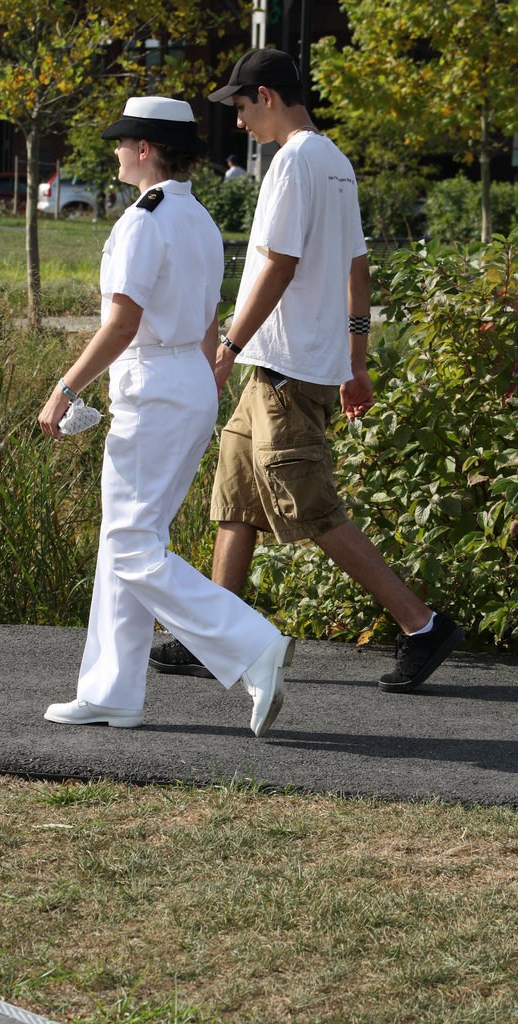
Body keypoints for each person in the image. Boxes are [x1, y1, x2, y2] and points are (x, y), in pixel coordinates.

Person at [149, 49, 463, 693]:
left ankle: (422, 624)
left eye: (240, 108)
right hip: (288, 366)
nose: (238, 123)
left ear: (266, 95)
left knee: (310, 508)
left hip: (283, 369)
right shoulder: (336, 162)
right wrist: (356, 360)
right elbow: (358, 267)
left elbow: (279, 263)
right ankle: (215, 635)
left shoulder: (294, 162)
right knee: (236, 498)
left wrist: (230, 344)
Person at [38, 96, 293, 737]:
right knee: (128, 540)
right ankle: (111, 692)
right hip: (186, 380)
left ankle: (250, 643)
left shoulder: (142, 222)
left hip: (155, 384)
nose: (118, 150)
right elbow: (209, 321)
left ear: (146, 149)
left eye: (124, 141)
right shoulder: (200, 220)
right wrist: (196, 386)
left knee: (129, 543)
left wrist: (65, 387)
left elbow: (122, 324)